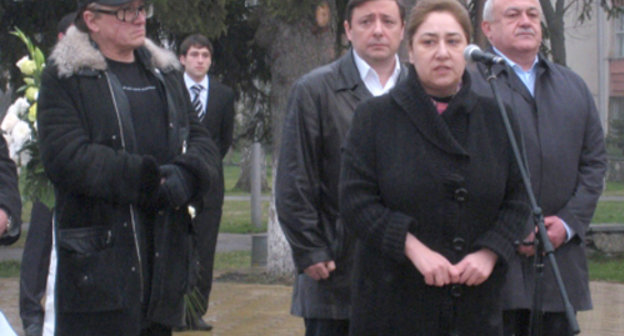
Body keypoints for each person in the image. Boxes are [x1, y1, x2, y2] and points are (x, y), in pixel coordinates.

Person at [339, 0, 532, 335]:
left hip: (474, 307)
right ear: (410, 51)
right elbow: (356, 202)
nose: (442, 52)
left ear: (468, 51)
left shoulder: (498, 117)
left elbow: (519, 199)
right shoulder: (374, 117)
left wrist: (490, 252)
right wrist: (412, 247)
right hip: (393, 303)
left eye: (453, 41)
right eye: (429, 42)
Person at [36, 0, 219, 335]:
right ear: (91, 19)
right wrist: (149, 180)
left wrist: (186, 176)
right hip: (100, 274)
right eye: (124, 11)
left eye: (142, 8)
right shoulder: (65, 77)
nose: (138, 18)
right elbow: (67, 157)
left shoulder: (166, 74)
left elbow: (201, 141)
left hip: (162, 269)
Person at [470, 0, 608, 335]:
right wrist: (507, 230)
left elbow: (593, 164)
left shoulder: (572, 86)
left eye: (532, 14)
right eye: (513, 14)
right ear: (487, 29)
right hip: (492, 274)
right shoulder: (469, 85)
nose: (526, 21)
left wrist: (567, 223)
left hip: (560, 275)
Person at [275, 0, 407, 334]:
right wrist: (310, 248)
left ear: (403, 30)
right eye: (366, 21)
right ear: (348, 30)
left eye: (388, 21)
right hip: (337, 273)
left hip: (409, 272)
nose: (378, 30)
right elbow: (295, 177)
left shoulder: (420, 90)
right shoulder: (315, 90)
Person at [19, 12, 75, 336]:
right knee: (39, 244)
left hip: (79, 178)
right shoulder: (45, 77)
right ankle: (30, 309)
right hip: (49, 177)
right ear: (59, 40)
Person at [177, 33, 235, 332]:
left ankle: (195, 311)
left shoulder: (224, 95)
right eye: (194, 54)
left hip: (210, 186)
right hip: (175, 181)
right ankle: (171, 309)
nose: (200, 60)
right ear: (182, 58)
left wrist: (205, 167)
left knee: (204, 249)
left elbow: (225, 139)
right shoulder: (172, 90)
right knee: (175, 247)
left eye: (205, 56)